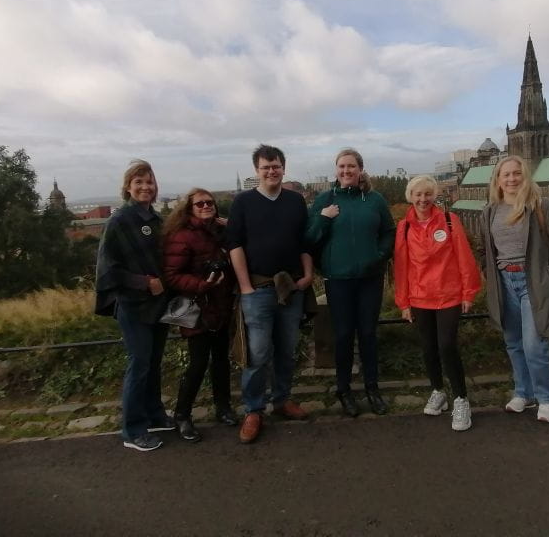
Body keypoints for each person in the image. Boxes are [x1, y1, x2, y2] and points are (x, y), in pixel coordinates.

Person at [226, 144, 313, 443]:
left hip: (291, 287)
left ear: (283, 167)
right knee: (258, 353)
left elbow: (304, 242)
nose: (272, 171)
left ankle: (282, 399)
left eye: (276, 166)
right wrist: (246, 287)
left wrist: (309, 275)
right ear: (257, 170)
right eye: (266, 167)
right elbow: (234, 246)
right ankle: (253, 409)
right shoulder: (243, 202)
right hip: (258, 288)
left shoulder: (295, 201)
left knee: (287, 350)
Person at [480, 155, 549, 423]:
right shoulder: (490, 211)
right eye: (505, 174)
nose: (511, 179)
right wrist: (490, 275)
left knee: (535, 345)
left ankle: (547, 398)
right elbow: (484, 248)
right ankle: (524, 392)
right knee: (513, 343)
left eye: (516, 173)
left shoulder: (541, 206)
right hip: (504, 282)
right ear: (497, 180)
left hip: (533, 282)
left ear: (525, 176)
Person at [306, 148, 395, 417]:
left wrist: (379, 256)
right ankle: (343, 390)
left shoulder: (374, 199)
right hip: (339, 279)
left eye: (351, 166)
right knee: (343, 335)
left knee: (368, 334)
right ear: (336, 170)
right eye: (342, 167)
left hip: (370, 278)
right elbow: (309, 239)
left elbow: (389, 231)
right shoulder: (325, 198)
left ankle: (372, 388)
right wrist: (323, 218)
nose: (346, 171)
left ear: (360, 170)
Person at [95, 159, 173, 451]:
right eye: (138, 182)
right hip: (132, 305)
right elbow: (106, 269)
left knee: (153, 364)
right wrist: (144, 283)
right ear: (128, 187)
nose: (145, 187)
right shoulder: (119, 221)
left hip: (158, 305)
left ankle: (154, 415)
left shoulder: (155, 219)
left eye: (149, 181)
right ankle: (133, 430)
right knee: (139, 364)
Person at [393, 175, 481, 431]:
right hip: (420, 297)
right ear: (411, 196)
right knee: (428, 347)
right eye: (418, 194)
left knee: (447, 346)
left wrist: (468, 292)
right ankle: (437, 391)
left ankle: (461, 399)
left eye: (427, 194)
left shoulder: (450, 222)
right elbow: (402, 266)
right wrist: (404, 301)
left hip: (448, 294)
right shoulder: (404, 227)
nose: (423, 199)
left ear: (434, 196)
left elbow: (464, 257)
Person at [162, 188, 238, 443]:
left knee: (221, 360)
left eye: (210, 202)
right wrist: (201, 284)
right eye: (200, 203)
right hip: (198, 308)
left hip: (222, 305)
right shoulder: (182, 236)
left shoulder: (220, 232)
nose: (206, 206)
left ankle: (223, 407)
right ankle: (182, 414)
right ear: (190, 208)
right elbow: (172, 275)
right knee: (197, 363)